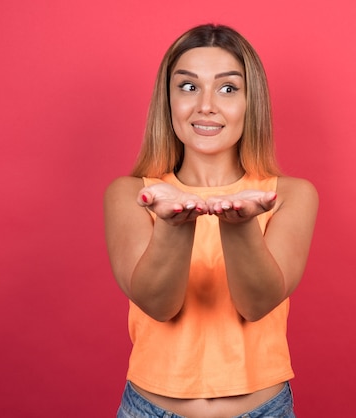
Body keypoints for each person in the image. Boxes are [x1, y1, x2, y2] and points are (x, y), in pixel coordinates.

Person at [104, 23, 318, 418]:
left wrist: (239, 225)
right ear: (166, 101)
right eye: (188, 86)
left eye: (227, 88)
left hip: (263, 410)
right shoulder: (132, 194)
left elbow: (256, 304)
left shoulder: (290, 195)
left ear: (251, 102)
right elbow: (158, 304)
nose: (206, 105)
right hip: (148, 409)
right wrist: (172, 224)